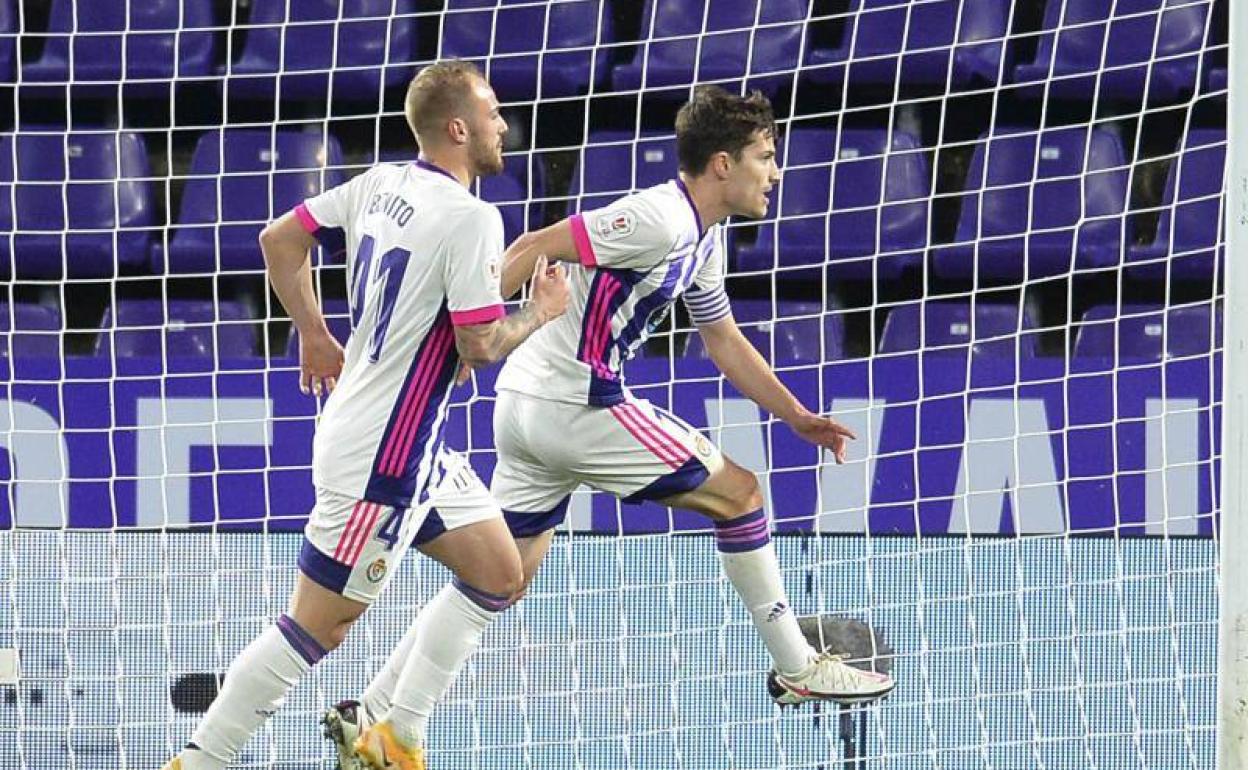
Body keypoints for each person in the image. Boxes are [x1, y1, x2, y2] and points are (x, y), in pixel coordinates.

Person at [323, 84, 894, 767]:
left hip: (528, 409)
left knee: (496, 579)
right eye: (766, 157)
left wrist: (796, 415)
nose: (775, 173)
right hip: (576, 404)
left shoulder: (702, 239)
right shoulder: (658, 218)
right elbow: (537, 243)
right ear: (721, 164)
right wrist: (464, 334)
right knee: (739, 493)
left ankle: (381, 718)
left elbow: (722, 338)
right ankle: (799, 665)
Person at [162, 60, 568, 770]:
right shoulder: (472, 217)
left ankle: (386, 734)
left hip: (415, 448)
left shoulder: (382, 182)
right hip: (383, 463)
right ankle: (198, 762)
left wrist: (316, 335)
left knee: (501, 573)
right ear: (457, 127)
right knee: (316, 630)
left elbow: (278, 240)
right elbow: (481, 343)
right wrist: (541, 310)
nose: (504, 125)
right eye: (494, 112)